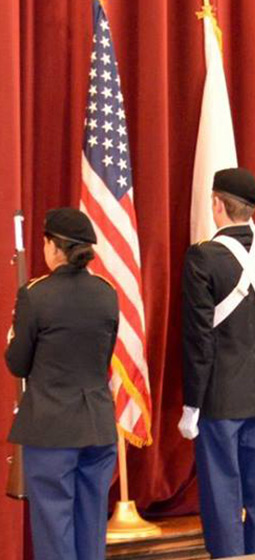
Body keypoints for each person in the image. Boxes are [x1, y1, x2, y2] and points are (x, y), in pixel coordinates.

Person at [179, 168, 255, 558]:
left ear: (216, 205)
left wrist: (192, 402)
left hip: (220, 393)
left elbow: (197, 337)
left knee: (222, 491)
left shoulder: (202, 257)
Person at [5, 208, 119, 560]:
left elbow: (17, 364)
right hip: (97, 426)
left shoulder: (35, 296)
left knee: (55, 530)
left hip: (52, 429)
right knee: (91, 526)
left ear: (54, 247)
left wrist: (12, 338)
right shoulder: (107, 293)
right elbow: (103, 359)